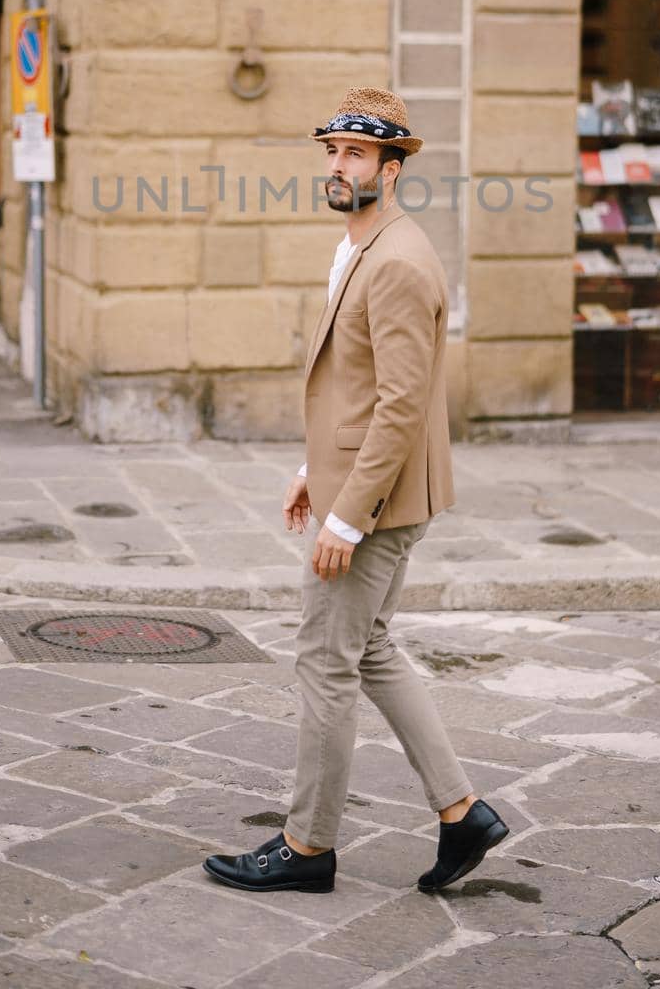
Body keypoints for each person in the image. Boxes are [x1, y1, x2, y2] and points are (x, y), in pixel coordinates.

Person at [203, 86, 508, 896]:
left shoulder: (400, 260)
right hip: (370, 487)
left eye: (357, 154)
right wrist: (315, 470)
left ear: (393, 166)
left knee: (324, 661)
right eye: (332, 151)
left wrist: (347, 513)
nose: (338, 166)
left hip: (379, 503)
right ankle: (461, 812)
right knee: (367, 649)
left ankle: (307, 847)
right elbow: (362, 388)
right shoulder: (361, 246)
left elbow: (403, 405)